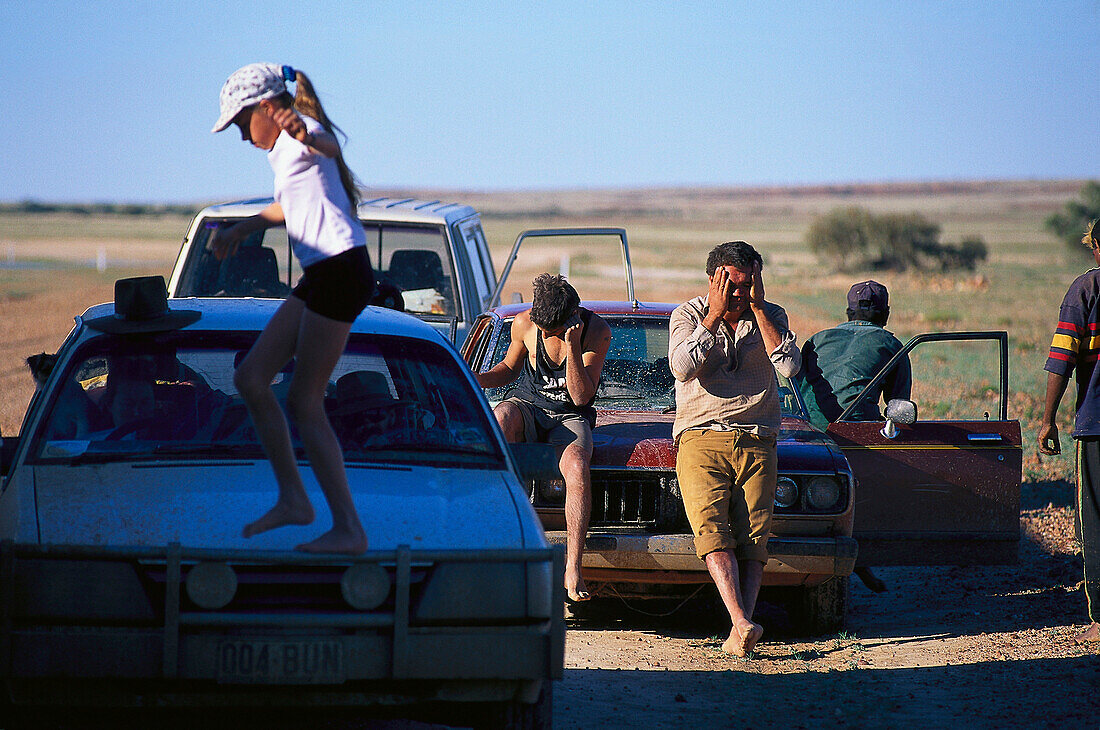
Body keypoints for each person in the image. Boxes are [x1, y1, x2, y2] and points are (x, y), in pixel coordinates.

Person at [211, 63, 374, 554]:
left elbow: (328, 146)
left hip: (341, 268)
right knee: (251, 378)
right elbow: (292, 204)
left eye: (241, 124)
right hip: (324, 273)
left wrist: (303, 131)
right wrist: (243, 228)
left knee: (304, 401)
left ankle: (347, 527)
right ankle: (293, 499)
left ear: (266, 108)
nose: (242, 137)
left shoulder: (303, 134)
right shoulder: (281, 152)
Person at [669, 241, 801, 657]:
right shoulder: (687, 315)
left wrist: (760, 310)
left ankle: (740, 627)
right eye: (732, 283)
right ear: (713, 280)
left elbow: (789, 366)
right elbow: (682, 367)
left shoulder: (770, 316)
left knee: (755, 539)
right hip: (701, 436)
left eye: (749, 284)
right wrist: (713, 314)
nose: (740, 293)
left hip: (758, 437)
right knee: (712, 531)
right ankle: (741, 620)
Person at [476, 274, 611, 602]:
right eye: (542, 326)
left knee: (578, 466)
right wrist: (476, 378)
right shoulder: (523, 324)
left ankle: (573, 566)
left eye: (552, 330)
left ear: (572, 318)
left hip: (569, 415)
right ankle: (495, 541)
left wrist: (573, 346)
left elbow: (581, 397)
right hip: (529, 406)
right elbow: (509, 368)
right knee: (501, 418)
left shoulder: (597, 332)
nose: (545, 333)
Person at [1038, 218, 1100, 645]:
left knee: (1096, 522)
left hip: (1096, 425)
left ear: (1095, 246)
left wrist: (1047, 419)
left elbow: (1063, 356)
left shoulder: (1085, 290)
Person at [798, 280, 911, 431]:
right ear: (886, 314)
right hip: (858, 431)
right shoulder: (891, 345)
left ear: (848, 312)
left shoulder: (816, 340)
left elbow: (797, 390)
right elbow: (899, 409)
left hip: (811, 430)